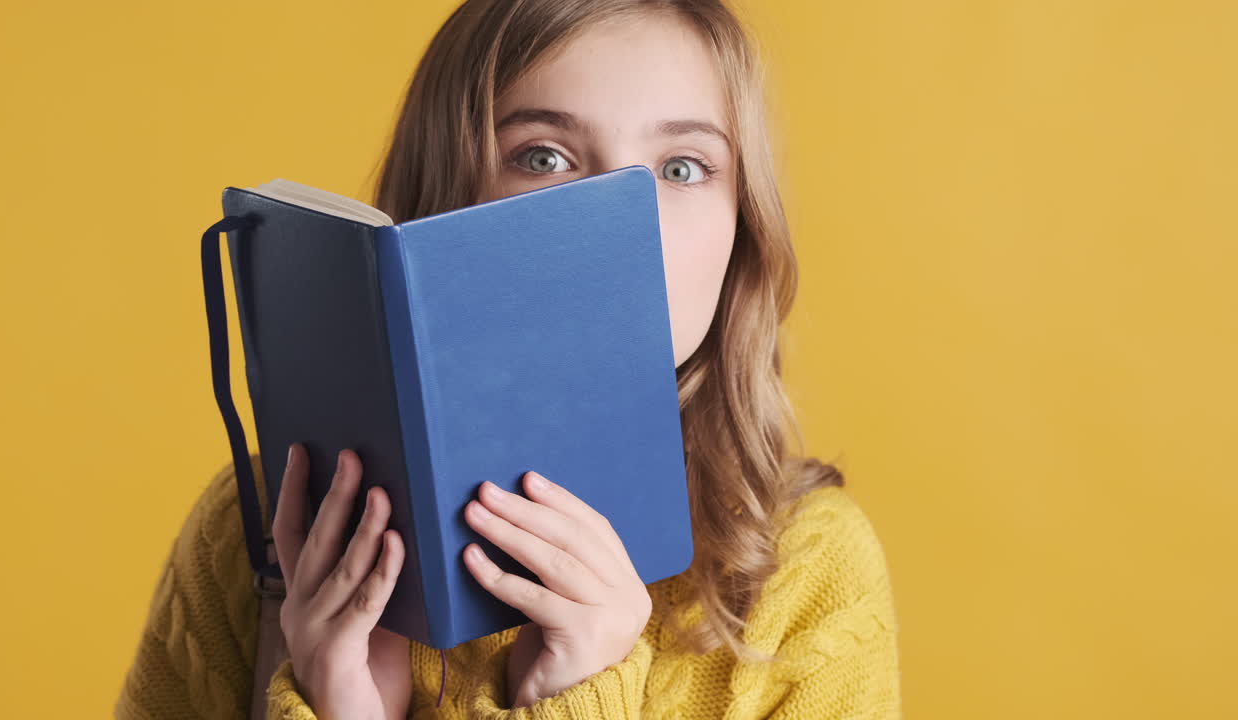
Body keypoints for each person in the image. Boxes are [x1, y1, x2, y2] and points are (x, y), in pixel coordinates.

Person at [115, 0, 903, 718]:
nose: (616, 226)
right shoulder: (257, 534)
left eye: (680, 168)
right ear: (441, 204)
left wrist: (578, 696)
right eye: (544, 158)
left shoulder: (806, 574)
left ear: (743, 231)